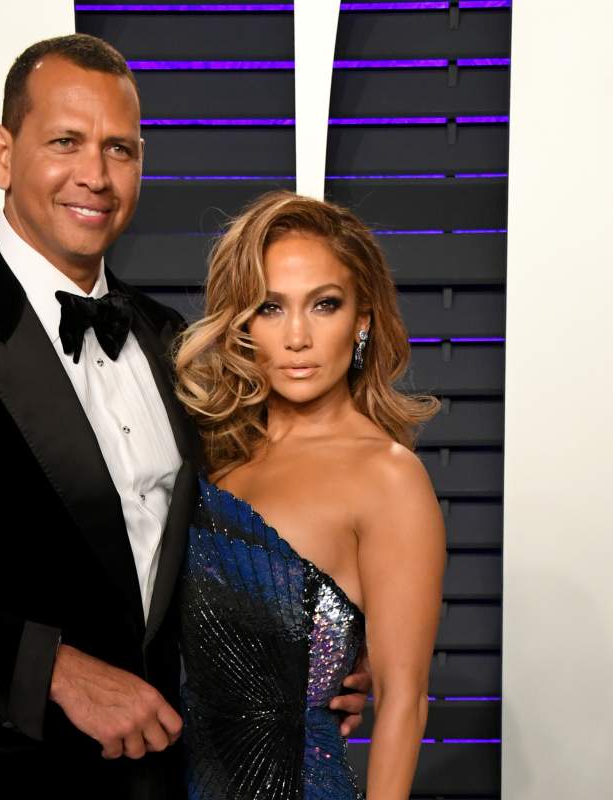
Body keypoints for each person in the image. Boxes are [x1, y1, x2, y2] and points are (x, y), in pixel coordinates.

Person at [0, 36, 366, 799]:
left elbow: (207, 556)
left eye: (118, 149)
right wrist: (50, 670)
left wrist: (312, 655)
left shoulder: (171, 339)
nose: (95, 175)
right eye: (65, 142)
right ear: (3, 154)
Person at [173, 191, 446, 799]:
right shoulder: (212, 458)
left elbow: (404, 701)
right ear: (243, 323)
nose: (297, 337)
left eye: (324, 305)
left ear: (362, 319)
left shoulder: (387, 476)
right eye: (271, 307)